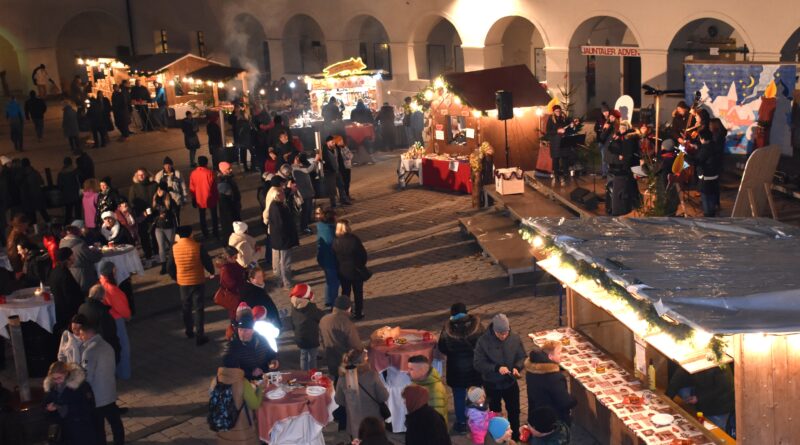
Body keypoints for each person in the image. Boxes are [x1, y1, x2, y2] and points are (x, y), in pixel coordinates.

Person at [473, 313, 526, 441]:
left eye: (506, 333)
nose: (503, 336)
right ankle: (499, 438)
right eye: (500, 333)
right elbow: (478, 363)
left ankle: (515, 438)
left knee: (514, 411)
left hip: (510, 383)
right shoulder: (483, 341)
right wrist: (496, 368)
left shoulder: (514, 338)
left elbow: (522, 356)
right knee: (495, 413)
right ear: (494, 330)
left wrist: (517, 367)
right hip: (492, 384)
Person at [76, 319, 125, 445]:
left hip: (97, 397)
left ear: (89, 333)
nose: (80, 337)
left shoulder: (89, 351)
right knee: (115, 422)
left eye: (81, 334)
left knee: (98, 427)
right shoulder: (107, 345)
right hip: (110, 392)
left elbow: (87, 377)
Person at [439, 302, 485, 434]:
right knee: (476, 395)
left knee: (459, 397)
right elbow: (483, 343)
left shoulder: (448, 329)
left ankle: (462, 423)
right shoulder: (477, 326)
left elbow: (442, 347)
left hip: (456, 370)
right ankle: (479, 421)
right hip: (474, 369)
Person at [168, 225, 214, 345]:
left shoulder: (174, 248)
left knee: (186, 307)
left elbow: (169, 267)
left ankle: (189, 331)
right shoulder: (197, 246)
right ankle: (200, 335)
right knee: (198, 308)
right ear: (189, 234)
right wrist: (212, 271)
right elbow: (206, 261)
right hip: (197, 280)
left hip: (183, 282)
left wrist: (176, 277)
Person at [334, 349, 389, 437]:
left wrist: (350, 403)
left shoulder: (342, 377)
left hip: (354, 423)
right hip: (373, 422)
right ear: (363, 361)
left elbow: (338, 400)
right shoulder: (372, 375)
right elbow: (384, 396)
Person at [43, 361, 99, 445]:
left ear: (66, 374)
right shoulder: (51, 387)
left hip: (81, 429)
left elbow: (88, 407)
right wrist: (48, 409)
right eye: (54, 379)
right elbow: (45, 405)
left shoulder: (81, 386)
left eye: (59, 378)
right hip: (62, 431)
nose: (57, 381)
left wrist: (60, 407)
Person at [666, 365, 734, 430]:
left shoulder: (719, 363)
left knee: (717, 432)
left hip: (720, 406)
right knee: (702, 427)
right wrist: (667, 398)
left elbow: (723, 387)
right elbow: (678, 377)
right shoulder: (691, 359)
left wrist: (699, 398)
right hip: (704, 401)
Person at [524, 341, 576, 426]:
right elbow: (564, 401)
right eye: (559, 353)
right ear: (550, 356)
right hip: (553, 419)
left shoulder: (531, 370)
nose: (561, 355)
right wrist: (574, 400)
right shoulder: (554, 377)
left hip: (536, 414)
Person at [211, 366, 264, 444]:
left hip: (223, 427)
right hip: (242, 430)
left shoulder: (216, 380)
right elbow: (255, 404)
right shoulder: (243, 382)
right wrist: (260, 388)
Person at [222, 310, 279, 380]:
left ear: (252, 331)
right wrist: (250, 372)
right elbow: (229, 370)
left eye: (245, 330)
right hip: (244, 381)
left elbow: (270, 353)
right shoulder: (231, 347)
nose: (242, 333)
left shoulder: (262, 340)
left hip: (265, 377)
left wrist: (273, 360)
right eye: (240, 330)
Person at [98, 262, 131, 380]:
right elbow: (123, 309)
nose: (116, 271)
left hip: (106, 321)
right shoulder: (112, 289)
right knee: (123, 347)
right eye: (114, 270)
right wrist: (128, 316)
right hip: (116, 320)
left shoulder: (100, 285)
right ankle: (124, 373)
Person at [333, 218, 368, 320]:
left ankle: (345, 312)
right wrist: (360, 265)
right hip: (355, 270)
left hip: (343, 271)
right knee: (358, 292)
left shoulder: (336, 241)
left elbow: (335, 256)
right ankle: (358, 312)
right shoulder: (354, 239)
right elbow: (363, 255)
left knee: (345, 292)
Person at [319, 295, 362, 377]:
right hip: (344, 361)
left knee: (335, 378)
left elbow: (321, 340)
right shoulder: (346, 323)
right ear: (348, 308)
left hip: (330, 357)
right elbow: (356, 346)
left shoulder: (324, 319)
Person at [78, 284, 121, 362]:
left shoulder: (82, 307)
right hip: (102, 348)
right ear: (102, 297)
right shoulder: (102, 312)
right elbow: (109, 333)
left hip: (87, 345)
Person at [48, 247, 85, 336]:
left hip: (60, 310)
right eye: (72, 255)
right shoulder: (64, 275)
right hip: (68, 314)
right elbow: (70, 296)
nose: (74, 257)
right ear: (67, 258)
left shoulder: (55, 271)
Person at [267, 185, 298, 289]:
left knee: (277, 261)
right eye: (282, 194)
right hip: (283, 239)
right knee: (285, 262)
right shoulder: (278, 207)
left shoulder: (274, 205)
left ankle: (279, 281)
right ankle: (287, 283)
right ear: (277, 195)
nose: (284, 195)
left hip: (277, 239)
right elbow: (282, 224)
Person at [289, 283, 325, 371]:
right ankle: (313, 374)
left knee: (303, 355)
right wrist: (312, 303)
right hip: (311, 337)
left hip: (300, 337)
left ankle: (304, 373)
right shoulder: (311, 307)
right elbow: (320, 316)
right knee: (312, 357)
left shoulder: (294, 305)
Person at [686, 130, 721, 217]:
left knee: (706, 198)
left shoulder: (705, 149)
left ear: (702, 138)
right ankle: (712, 213)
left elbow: (696, 161)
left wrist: (685, 156)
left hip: (706, 177)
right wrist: (698, 148)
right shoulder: (715, 146)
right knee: (712, 196)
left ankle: (708, 216)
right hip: (714, 176)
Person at [59, 224, 102, 293]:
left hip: (71, 273)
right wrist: (98, 251)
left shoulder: (62, 243)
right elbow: (94, 258)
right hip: (84, 275)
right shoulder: (80, 245)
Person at [408, 355, 448, 426]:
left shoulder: (435, 391)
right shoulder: (418, 382)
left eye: (411, 369)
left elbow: (437, 422)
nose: (407, 372)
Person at [128, 168, 157, 262]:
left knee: (155, 235)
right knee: (144, 236)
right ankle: (148, 255)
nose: (141, 176)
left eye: (143, 174)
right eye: (139, 175)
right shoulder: (134, 188)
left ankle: (157, 254)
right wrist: (140, 213)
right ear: (136, 176)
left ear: (147, 175)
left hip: (154, 214)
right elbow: (131, 203)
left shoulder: (154, 185)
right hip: (141, 216)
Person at [189, 156, 220, 239]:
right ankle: (215, 231)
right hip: (210, 197)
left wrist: (193, 198)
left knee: (202, 215)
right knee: (214, 215)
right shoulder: (209, 173)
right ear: (206, 163)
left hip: (199, 198)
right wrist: (217, 197)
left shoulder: (193, 173)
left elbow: (192, 188)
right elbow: (214, 187)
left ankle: (204, 231)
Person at [151, 183, 178, 274]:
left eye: (161, 189)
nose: (159, 191)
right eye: (157, 189)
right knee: (161, 247)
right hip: (158, 227)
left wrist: (167, 214)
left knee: (172, 246)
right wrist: (153, 214)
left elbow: (175, 213)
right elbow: (153, 214)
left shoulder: (169, 200)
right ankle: (163, 266)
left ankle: (173, 264)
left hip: (168, 226)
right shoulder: (154, 200)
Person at [153, 156, 187, 224]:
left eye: (169, 165)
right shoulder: (159, 175)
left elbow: (183, 187)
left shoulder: (177, 174)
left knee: (176, 217)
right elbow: (156, 189)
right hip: (165, 202)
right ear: (163, 166)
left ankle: (177, 230)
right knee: (167, 218)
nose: (167, 167)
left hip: (176, 200)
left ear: (172, 165)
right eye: (166, 165)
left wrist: (185, 198)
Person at [291, 153, 318, 234]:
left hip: (308, 191)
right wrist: (316, 160)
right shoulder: (293, 168)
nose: (298, 159)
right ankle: (304, 227)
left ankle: (306, 224)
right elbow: (308, 170)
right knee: (305, 210)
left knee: (308, 209)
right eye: (296, 158)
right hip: (303, 193)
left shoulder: (299, 166)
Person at [19, 158, 50, 224]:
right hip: (38, 194)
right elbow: (42, 182)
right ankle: (49, 225)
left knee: (32, 214)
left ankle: (36, 229)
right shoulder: (35, 172)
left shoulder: (22, 174)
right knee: (43, 211)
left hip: (29, 197)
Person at [545, 105, 570, 186]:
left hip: (564, 141)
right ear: (553, 112)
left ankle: (566, 174)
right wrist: (557, 131)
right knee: (556, 159)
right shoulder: (551, 119)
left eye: (559, 111)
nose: (558, 112)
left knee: (565, 157)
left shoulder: (564, 118)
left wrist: (570, 126)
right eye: (556, 111)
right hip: (555, 142)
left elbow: (568, 127)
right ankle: (556, 175)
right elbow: (548, 131)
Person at [217, 162, 242, 241]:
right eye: (228, 169)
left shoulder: (228, 179)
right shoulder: (223, 184)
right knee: (230, 227)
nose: (231, 170)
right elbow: (225, 202)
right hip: (230, 210)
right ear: (223, 171)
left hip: (233, 208)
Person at [322, 136, 347, 207]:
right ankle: (333, 204)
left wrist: (341, 168)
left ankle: (344, 200)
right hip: (329, 172)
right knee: (332, 189)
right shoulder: (324, 151)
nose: (333, 143)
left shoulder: (336, 149)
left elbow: (339, 159)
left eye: (334, 142)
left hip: (337, 170)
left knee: (341, 185)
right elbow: (325, 162)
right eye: (332, 142)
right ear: (327, 142)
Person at [56, 157, 82, 223]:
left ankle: (67, 224)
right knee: (78, 212)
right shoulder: (75, 171)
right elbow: (80, 182)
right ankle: (78, 225)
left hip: (67, 196)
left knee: (68, 212)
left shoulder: (61, 174)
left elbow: (59, 186)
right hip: (76, 195)